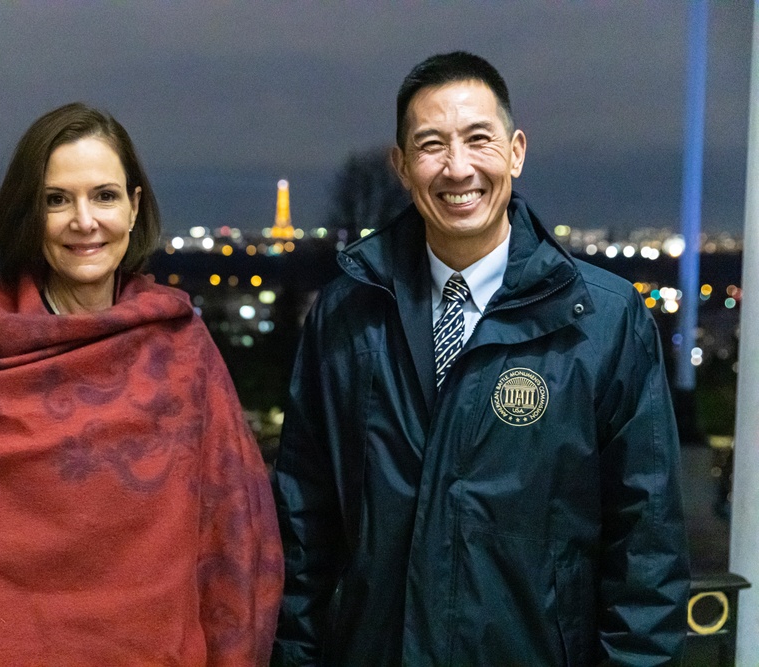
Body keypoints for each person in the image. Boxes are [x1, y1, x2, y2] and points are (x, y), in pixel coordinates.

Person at [272, 52, 689, 665]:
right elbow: (304, 522)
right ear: (403, 167)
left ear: (516, 152)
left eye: (478, 139)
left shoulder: (602, 319)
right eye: (431, 145)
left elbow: (646, 546)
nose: (458, 167)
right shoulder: (347, 315)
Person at [0, 103, 283, 665]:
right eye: (57, 200)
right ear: (29, 215)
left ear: (133, 209)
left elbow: (233, 525)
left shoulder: (179, 343)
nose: (84, 221)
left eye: (104, 196)